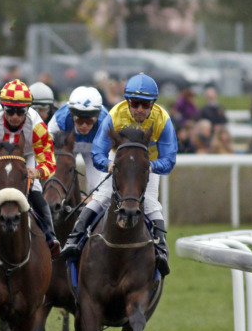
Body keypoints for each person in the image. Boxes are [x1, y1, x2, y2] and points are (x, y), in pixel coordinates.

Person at [61, 73, 177, 276]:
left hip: (147, 163)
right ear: (127, 102)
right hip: (120, 160)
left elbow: (169, 160)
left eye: (145, 105)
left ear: (153, 105)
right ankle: (74, 239)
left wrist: (151, 166)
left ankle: (161, 249)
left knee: (149, 202)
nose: (139, 109)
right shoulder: (114, 115)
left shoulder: (163, 120)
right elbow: (97, 152)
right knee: (103, 196)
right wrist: (109, 165)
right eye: (135, 104)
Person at [0, 79, 60, 258]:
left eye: (20, 111)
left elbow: (49, 163)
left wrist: (37, 172)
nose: (15, 116)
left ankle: (50, 236)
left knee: (36, 190)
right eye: (10, 111)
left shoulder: (38, 127)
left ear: (27, 110)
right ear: (2, 107)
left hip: (26, 155)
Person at [47, 86, 109, 199]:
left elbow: (109, 154)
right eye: (79, 121)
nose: (84, 126)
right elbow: (45, 147)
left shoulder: (106, 121)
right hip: (69, 146)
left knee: (96, 188)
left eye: (89, 121)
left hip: (94, 149)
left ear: (97, 116)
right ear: (71, 115)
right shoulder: (59, 119)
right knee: (61, 177)